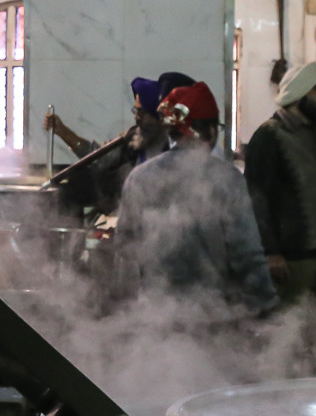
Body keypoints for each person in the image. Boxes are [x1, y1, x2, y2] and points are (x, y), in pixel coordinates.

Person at [113, 81, 278, 314]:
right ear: (210, 131)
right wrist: (266, 305)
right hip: (211, 318)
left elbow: (125, 246)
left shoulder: (139, 177)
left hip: (154, 317)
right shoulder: (227, 179)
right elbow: (246, 254)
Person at [243, 61, 316, 369]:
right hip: (294, 260)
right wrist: (271, 252)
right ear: (299, 94)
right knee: (291, 337)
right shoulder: (269, 137)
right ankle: (289, 400)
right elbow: (257, 200)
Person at [43, 75, 172, 214]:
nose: (136, 117)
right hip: (125, 215)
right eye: (135, 111)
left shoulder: (171, 148)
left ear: (158, 116)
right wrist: (63, 131)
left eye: (142, 112)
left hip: (159, 218)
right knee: (77, 181)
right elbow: (99, 156)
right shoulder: (132, 139)